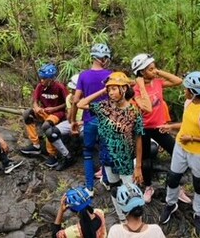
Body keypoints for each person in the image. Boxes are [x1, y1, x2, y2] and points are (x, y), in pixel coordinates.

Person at [77, 72, 144, 222]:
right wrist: (103, 90)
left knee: (130, 191)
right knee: (114, 188)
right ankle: (122, 219)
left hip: (125, 159)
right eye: (109, 89)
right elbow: (80, 104)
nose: (111, 92)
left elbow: (139, 138)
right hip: (108, 157)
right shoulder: (103, 107)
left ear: (124, 89)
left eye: (114, 89)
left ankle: (133, 220)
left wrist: (138, 166)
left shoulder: (134, 112)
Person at [159, 71, 200, 237]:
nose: (184, 91)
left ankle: (198, 213)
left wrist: (192, 138)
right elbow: (186, 124)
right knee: (173, 178)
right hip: (180, 148)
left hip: (197, 154)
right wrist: (171, 127)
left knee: (199, 185)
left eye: (186, 89)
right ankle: (171, 204)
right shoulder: (188, 103)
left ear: (193, 92)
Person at [130, 53, 191, 204]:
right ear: (142, 72)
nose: (154, 70)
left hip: (159, 127)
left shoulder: (157, 82)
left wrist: (157, 72)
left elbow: (178, 81)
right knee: (146, 160)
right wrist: (142, 85)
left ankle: (176, 187)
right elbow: (147, 108)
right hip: (144, 128)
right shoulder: (136, 89)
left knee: (177, 153)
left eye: (154, 67)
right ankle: (148, 187)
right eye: (150, 69)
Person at [68, 43, 113, 194]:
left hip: (90, 119)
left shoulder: (83, 75)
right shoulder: (111, 75)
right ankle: (107, 181)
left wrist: (73, 120)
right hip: (107, 119)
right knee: (106, 150)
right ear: (103, 58)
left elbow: (76, 100)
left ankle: (89, 187)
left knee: (87, 153)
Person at [20, 63, 69, 168]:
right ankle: (36, 145)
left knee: (46, 126)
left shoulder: (60, 87)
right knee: (27, 114)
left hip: (58, 113)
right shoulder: (40, 86)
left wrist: (54, 108)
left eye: (44, 79)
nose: (41, 81)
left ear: (51, 79)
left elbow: (67, 103)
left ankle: (52, 155)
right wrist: (36, 108)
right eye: (41, 78)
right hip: (44, 112)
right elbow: (35, 101)